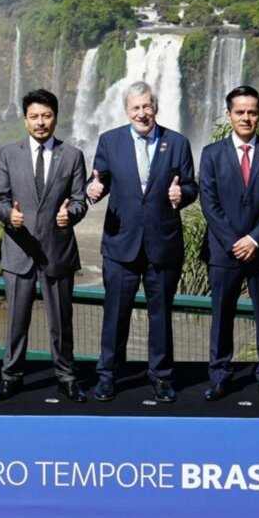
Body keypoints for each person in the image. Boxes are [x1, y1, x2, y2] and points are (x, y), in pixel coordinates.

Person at [86, 81, 196, 403]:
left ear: (156, 107)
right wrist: (92, 192)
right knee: (115, 314)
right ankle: (107, 375)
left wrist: (183, 194)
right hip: (121, 246)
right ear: (126, 110)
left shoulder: (177, 143)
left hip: (162, 245)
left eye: (147, 106)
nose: (142, 113)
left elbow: (190, 186)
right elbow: (99, 182)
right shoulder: (110, 141)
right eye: (135, 107)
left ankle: (160, 376)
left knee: (160, 316)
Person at [0, 89, 88, 402]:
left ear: (55, 118)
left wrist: (70, 214)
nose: (41, 122)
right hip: (18, 249)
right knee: (16, 322)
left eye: (46, 116)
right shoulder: (8, 153)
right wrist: (10, 216)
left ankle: (67, 377)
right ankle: (10, 377)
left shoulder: (72, 155)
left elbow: (79, 200)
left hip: (57, 251)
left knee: (61, 322)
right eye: (34, 116)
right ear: (25, 120)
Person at [198, 86, 259, 404]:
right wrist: (234, 241)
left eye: (252, 112)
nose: (246, 117)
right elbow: (209, 203)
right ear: (229, 115)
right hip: (224, 251)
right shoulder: (211, 154)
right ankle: (220, 376)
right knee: (221, 315)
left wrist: (254, 238)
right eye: (240, 112)